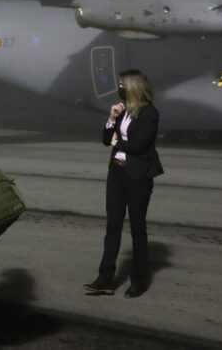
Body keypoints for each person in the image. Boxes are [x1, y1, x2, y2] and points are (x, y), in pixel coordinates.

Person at [84, 69, 163, 299]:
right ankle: (105, 279)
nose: (118, 87)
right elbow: (105, 140)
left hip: (138, 177)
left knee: (138, 228)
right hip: (117, 175)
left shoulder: (150, 114)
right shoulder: (121, 110)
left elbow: (139, 146)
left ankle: (139, 280)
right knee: (113, 227)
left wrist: (117, 143)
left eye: (121, 83)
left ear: (133, 86)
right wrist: (111, 119)